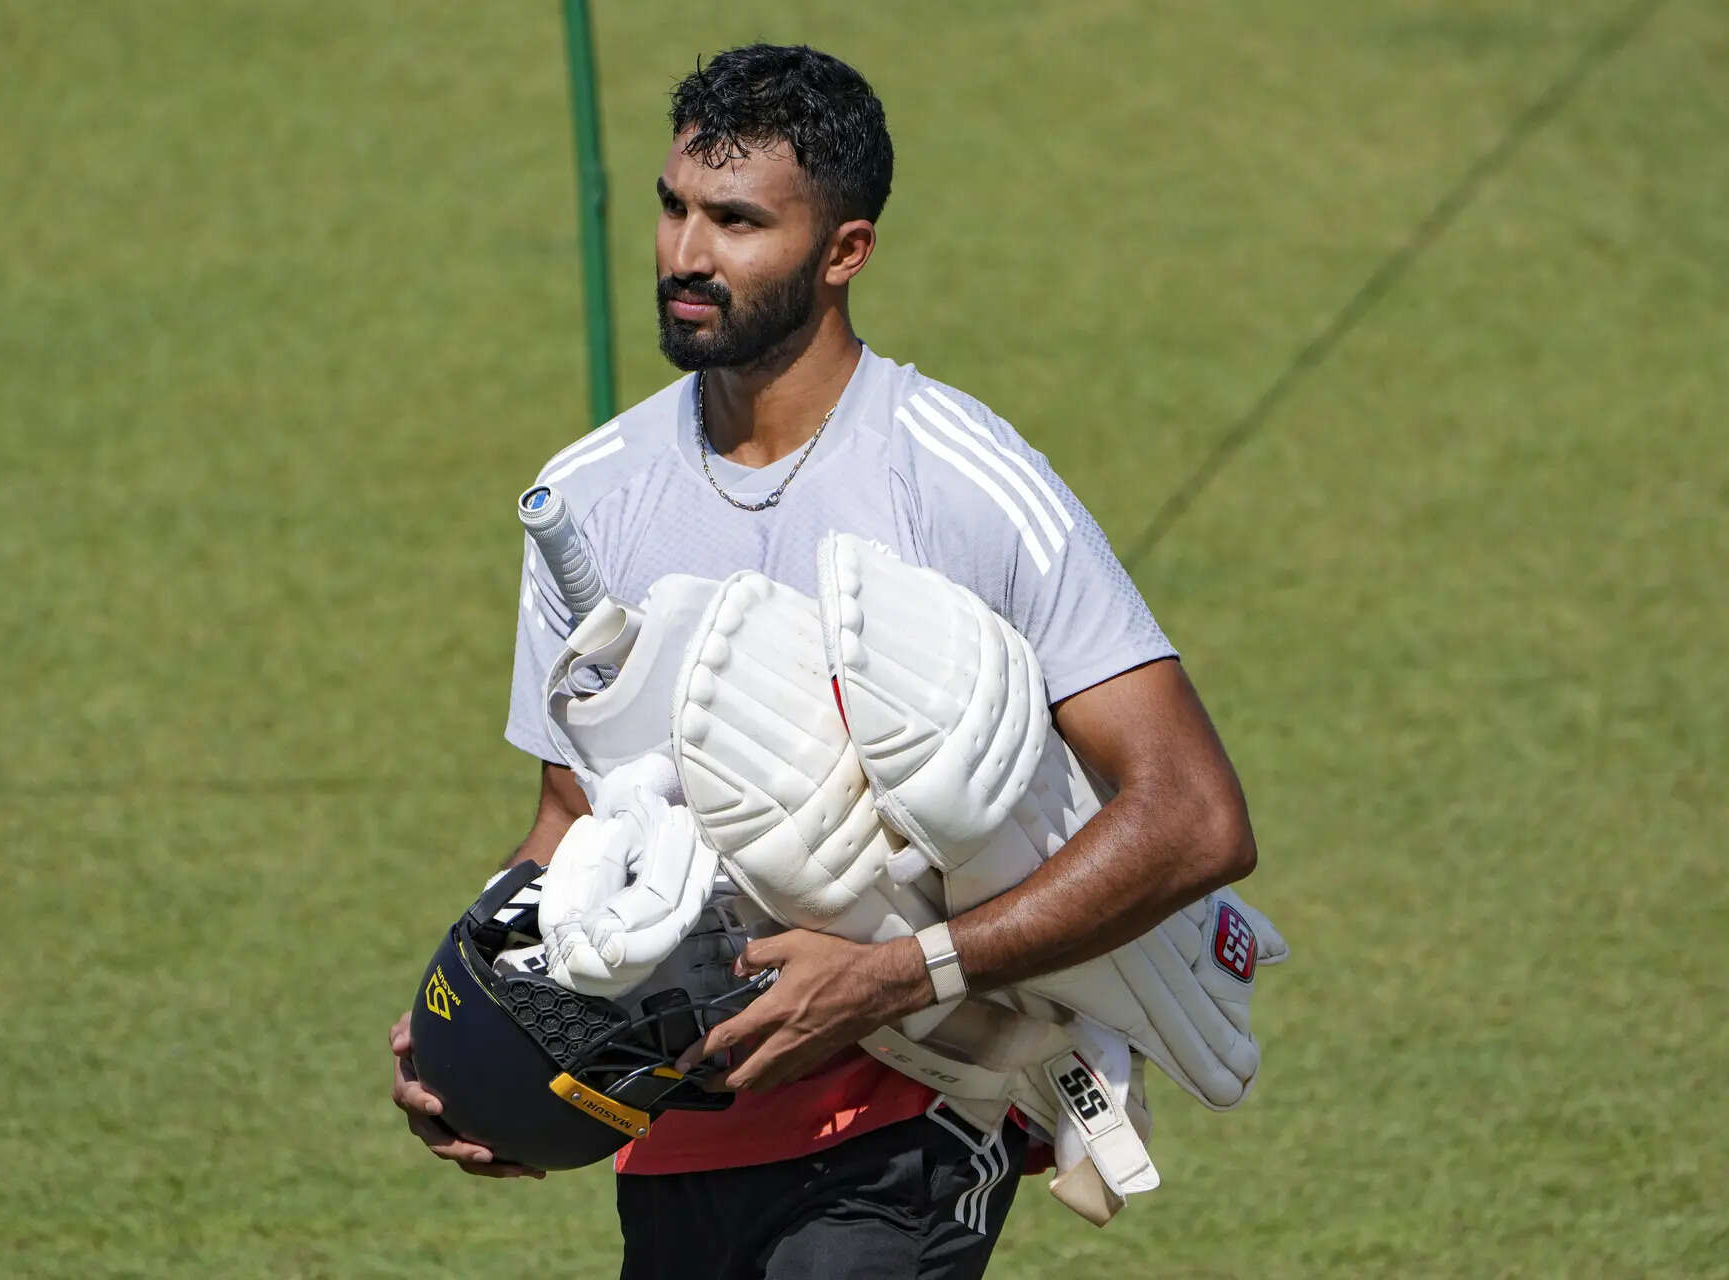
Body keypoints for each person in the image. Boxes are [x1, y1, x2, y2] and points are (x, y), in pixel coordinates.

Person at [391, 43, 1257, 1279]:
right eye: (674, 206)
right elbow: (569, 828)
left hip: (924, 1099)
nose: (686, 254)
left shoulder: (955, 477)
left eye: (737, 222)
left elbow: (1194, 814)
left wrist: (894, 974)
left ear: (844, 249)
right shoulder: (588, 501)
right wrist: (486, 1043)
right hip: (693, 1113)